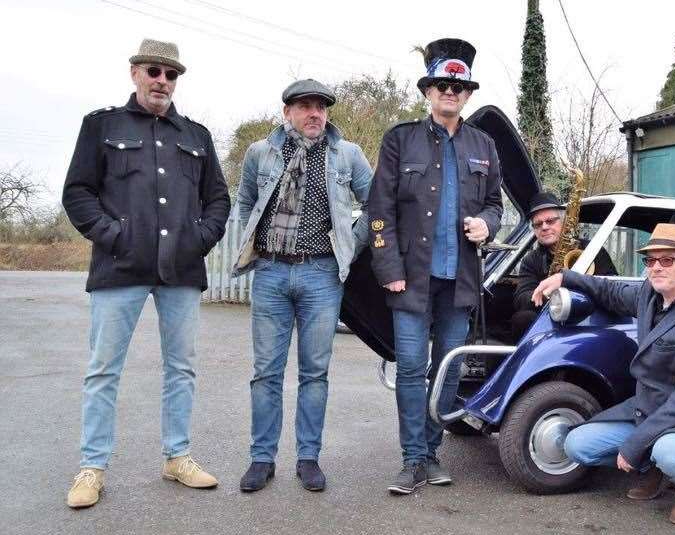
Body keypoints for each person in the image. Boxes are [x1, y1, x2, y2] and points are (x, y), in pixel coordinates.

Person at [62, 38, 230, 508]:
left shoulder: (196, 136)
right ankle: (92, 467)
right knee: (103, 370)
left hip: (180, 268)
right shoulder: (102, 126)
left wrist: (200, 237)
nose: (162, 81)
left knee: (182, 368)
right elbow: (77, 192)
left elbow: (218, 197)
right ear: (135, 72)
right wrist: (111, 234)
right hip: (120, 267)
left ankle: (177, 457)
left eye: (171, 74)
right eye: (154, 71)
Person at [368, 38, 503, 494]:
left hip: (460, 281)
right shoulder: (400, 140)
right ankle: (412, 460)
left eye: (458, 87)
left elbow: (494, 206)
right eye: (442, 85)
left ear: (467, 95)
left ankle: (429, 453)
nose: (450, 92)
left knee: (447, 371)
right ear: (428, 90)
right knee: (409, 368)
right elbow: (379, 210)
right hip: (411, 279)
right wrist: (389, 269)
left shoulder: (484, 145)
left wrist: (486, 224)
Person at [533, 223, 675, 525]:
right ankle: (652, 467)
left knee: (671, 453)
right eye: (650, 261)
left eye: (666, 260)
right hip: (647, 409)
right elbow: (609, 291)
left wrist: (636, 444)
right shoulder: (650, 293)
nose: (656, 268)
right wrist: (565, 276)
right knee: (576, 445)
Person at [231, 79, 372, 493]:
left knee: (315, 372)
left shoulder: (347, 154)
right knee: (266, 372)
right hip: (271, 273)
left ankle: (308, 458)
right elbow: (244, 202)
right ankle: (262, 458)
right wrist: (254, 238)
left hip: (322, 275)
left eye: (321, 108)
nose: (315, 114)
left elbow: (378, 199)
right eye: (306, 106)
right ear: (287, 111)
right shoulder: (262, 152)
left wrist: (351, 240)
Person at [511, 190, 617, 339]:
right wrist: (547, 292)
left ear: (564, 222)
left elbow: (612, 284)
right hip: (549, 318)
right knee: (521, 319)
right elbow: (520, 299)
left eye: (550, 221)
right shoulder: (531, 260)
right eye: (538, 224)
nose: (544, 227)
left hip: (589, 316)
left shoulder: (592, 250)